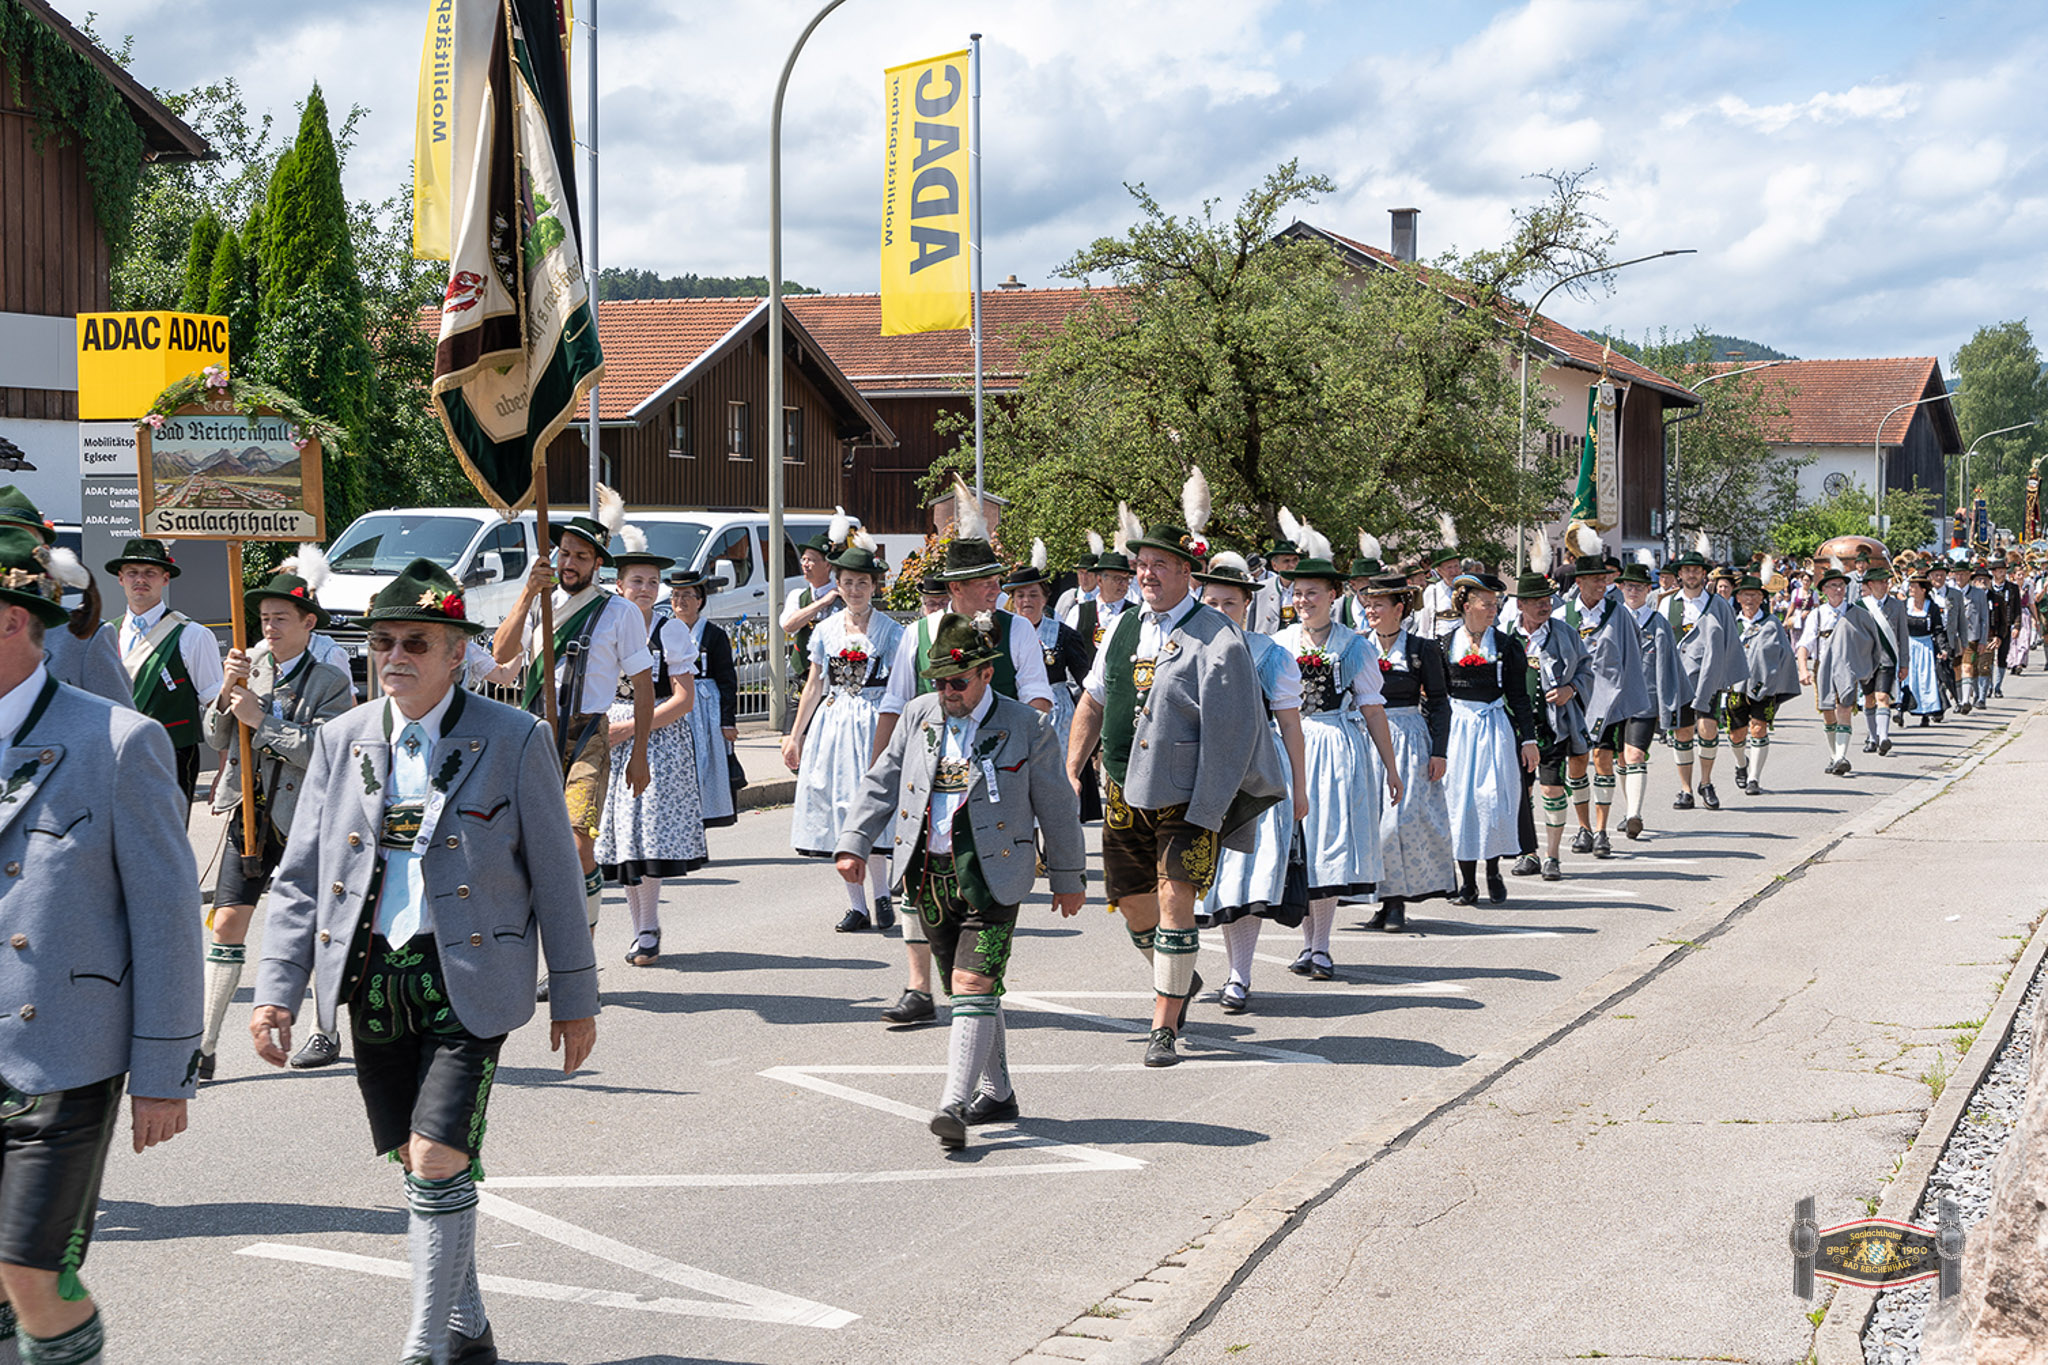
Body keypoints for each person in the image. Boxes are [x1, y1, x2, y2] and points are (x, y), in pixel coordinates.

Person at [251, 559, 600, 1365]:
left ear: (456, 654)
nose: (395, 655)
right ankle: (468, 1326)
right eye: (382, 641)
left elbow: (556, 873)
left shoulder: (516, 737)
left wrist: (575, 996)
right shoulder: (343, 740)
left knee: (440, 1154)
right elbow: (301, 875)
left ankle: (422, 1346)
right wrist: (276, 992)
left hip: (469, 978)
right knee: (414, 1161)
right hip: (371, 978)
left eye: (417, 641)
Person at [0, 526, 200, 1365]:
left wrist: (162, 1072)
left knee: (32, 1272)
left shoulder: (117, 740)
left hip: (63, 1052)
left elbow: (166, 916)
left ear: (13, 621)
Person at [836, 614, 1086, 1148]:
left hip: (995, 873)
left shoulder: (1026, 725)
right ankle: (997, 1094)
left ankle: (953, 1102)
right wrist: (854, 841)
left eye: (957, 682)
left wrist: (1068, 875)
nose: (946, 691)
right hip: (928, 873)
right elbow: (882, 780)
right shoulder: (918, 715)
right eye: (938, 681)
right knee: (969, 990)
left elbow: (1059, 806)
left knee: (973, 985)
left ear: (984, 674)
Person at [1065, 485, 1285, 1067]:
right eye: (1141, 564)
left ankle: (1163, 1025)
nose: (1147, 574)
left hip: (1188, 797)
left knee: (1173, 900)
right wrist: (1070, 772)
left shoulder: (1220, 637)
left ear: (1188, 571)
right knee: (1131, 903)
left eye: (1160, 564)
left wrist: (1209, 809)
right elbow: (1091, 700)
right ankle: (1179, 979)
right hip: (1120, 787)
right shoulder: (1120, 628)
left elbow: (1235, 733)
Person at [872, 481, 1054, 1026]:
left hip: (996, 770)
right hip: (929, 764)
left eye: (997, 580)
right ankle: (917, 986)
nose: (996, 590)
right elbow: (896, 703)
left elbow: (1039, 695)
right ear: (956, 590)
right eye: (985, 583)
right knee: (917, 870)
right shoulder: (918, 633)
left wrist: (1026, 748)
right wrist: (882, 767)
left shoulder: (1015, 629)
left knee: (979, 877)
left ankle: (971, 990)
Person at [197, 565, 354, 1081]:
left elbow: (328, 752)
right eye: (264, 618)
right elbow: (218, 739)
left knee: (316, 928)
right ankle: (205, 1045)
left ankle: (324, 1030)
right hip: (249, 813)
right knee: (226, 923)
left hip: (306, 819)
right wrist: (226, 691)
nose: (269, 627)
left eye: (280, 618)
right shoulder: (251, 666)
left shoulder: (331, 680)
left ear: (309, 623)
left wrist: (264, 723)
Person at [491, 486, 653, 940]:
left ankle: (579, 952)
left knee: (580, 846)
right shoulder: (542, 602)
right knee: (520, 845)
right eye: (564, 553)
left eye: (581, 556)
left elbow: (643, 687)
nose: (569, 563)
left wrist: (638, 754)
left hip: (587, 736)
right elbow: (503, 655)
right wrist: (527, 594)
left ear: (597, 563)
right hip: (532, 732)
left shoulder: (618, 611)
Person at [1271, 530, 1400, 977]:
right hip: (1289, 748)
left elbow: (1373, 708)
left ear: (1333, 595)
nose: (1304, 600)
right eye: (1298, 592)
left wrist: (1392, 769)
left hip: (1335, 749)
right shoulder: (1281, 643)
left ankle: (1320, 946)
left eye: (1313, 593)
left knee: (1327, 847)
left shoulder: (1354, 646)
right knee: (1298, 849)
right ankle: (1308, 944)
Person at [1191, 554, 1308, 1011]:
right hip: (1199, 769)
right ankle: (1180, 970)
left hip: (1256, 769)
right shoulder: (1183, 646)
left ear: (1246, 605)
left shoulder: (1269, 654)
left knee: (1243, 878)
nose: (1220, 610)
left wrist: (1299, 786)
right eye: (1212, 601)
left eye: (1230, 602)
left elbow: (1291, 726)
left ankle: (1239, 975)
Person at [598, 531, 708, 968]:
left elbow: (684, 698)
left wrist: (632, 727)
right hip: (611, 733)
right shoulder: (605, 624)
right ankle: (640, 928)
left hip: (658, 738)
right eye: (636, 581)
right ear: (619, 585)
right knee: (624, 835)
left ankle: (648, 925)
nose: (645, 589)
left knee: (650, 834)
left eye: (651, 581)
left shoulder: (671, 631)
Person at [784, 533, 904, 931]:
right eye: (848, 582)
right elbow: (815, 684)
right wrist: (795, 735)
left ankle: (883, 895)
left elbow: (900, 687)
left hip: (873, 720)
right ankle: (857, 905)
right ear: (838, 584)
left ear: (874, 586)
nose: (855, 590)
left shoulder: (891, 632)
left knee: (870, 808)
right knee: (839, 807)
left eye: (862, 583)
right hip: (834, 724)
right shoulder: (826, 630)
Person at [1359, 572, 1454, 931]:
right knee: (1374, 823)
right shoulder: (1358, 646)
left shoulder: (1422, 649)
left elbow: (1441, 702)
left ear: (1399, 609)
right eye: (1368, 604)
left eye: (1378, 605)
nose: (1371, 611)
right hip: (1367, 737)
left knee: (1399, 824)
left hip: (1409, 737)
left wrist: (1439, 751)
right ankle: (1383, 900)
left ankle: (1397, 902)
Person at [108, 536, 225, 814]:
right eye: (133, 573)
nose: (141, 580)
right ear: (120, 579)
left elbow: (216, 706)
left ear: (165, 578)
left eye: (150, 573)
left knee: (167, 849)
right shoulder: (106, 634)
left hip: (170, 756)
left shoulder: (193, 635)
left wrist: (226, 766)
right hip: (115, 758)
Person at [1442, 572, 1538, 903]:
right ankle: (1467, 882)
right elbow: (1437, 700)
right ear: (1466, 605)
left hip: (1494, 726)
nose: (1493, 609)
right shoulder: (1443, 645)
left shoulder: (1507, 645)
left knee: (1492, 802)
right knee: (1461, 803)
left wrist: (1529, 739)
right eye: (1486, 603)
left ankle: (1493, 870)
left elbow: (1520, 696)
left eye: (1495, 604)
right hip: (1460, 730)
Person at [1558, 533, 1651, 858]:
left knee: (1604, 760)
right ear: (1580, 581)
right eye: (1597, 579)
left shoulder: (1619, 614)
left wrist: (1627, 700)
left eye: (1605, 578)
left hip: (1608, 703)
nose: (1604, 584)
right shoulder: (1562, 615)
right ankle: (1582, 827)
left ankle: (1601, 831)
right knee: (1578, 762)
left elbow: (1632, 657)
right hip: (1572, 702)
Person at [1504, 558, 1592, 882]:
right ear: (1521, 604)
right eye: (1538, 602)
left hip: (1553, 726)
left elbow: (1586, 670)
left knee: (1553, 789)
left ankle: (1552, 857)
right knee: (1522, 792)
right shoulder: (1506, 638)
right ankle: (1528, 852)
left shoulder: (1565, 634)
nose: (1545, 606)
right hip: (1515, 726)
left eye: (1548, 601)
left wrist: (1571, 689)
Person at [0, 488, 128, 707]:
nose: (7, 547)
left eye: (20, 537)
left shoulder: (85, 638)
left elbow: (120, 725)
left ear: (45, 552)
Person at [1663, 537, 1749, 810]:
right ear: (1679, 574)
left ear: (1704, 574)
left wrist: (1725, 676)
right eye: (1686, 570)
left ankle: (1706, 782)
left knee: (1708, 727)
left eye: (1696, 570)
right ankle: (1685, 789)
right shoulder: (1667, 604)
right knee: (1683, 732)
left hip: (1707, 677)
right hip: (1678, 677)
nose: (1691, 574)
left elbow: (1730, 642)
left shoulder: (1718, 604)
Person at [666, 571, 740, 833]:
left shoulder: (714, 635)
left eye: (687, 595)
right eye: (676, 595)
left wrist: (727, 721)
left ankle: (700, 827)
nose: (680, 601)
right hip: (672, 705)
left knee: (706, 767)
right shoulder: (664, 631)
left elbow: (727, 679)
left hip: (706, 707)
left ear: (700, 601)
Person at [1005, 541, 1092, 762]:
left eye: (1033, 595)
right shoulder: (1003, 633)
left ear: (1045, 598)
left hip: (1057, 717)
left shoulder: (1064, 635)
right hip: (1014, 712)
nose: (1027, 601)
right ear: (1013, 600)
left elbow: (1085, 682)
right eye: (1021, 595)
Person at [1618, 558, 1683, 838]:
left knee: (1634, 755)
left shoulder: (1658, 623)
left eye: (1640, 587)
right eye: (1629, 586)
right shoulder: (1612, 618)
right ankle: (1628, 807)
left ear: (1649, 591)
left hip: (1645, 699)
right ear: (1621, 588)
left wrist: (1667, 707)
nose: (1634, 592)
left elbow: (1669, 666)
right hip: (1614, 702)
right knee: (1620, 759)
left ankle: (1634, 814)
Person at [1796, 565, 1881, 775]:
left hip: (1847, 667)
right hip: (1823, 665)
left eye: (1841, 585)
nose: (1838, 590)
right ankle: (1834, 755)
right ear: (1824, 590)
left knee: (1844, 708)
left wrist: (1865, 664)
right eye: (1833, 586)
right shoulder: (1817, 615)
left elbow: (1871, 640)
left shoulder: (1857, 613)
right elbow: (1804, 645)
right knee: (1827, 711)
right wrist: (1802, 670)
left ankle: (1842, 756)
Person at [1728, 573, 1801, 795]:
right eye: (1746, 594)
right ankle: (1741, 764)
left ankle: (1754, 778)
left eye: (1755, 595)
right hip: (1736, 687)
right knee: (1736, 734)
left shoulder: (1772, 624)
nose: (1750, 599)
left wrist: (1777, 685)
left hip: (1764, 687)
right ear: (1738, 597)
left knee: (1758, 729)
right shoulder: (1732, 623)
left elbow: (1785, 656)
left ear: (1762, 598)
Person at [779, 517, 849, 709]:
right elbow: (788, 625)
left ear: (827, 565)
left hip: (835, 680)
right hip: (802, 678)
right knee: (793, 735)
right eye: (803, 559)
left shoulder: (844, 597)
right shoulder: (797, 596)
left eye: (810, 560)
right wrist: (821, 603)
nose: (805, 564)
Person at [1857, 565, 1907, 756]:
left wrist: (1904, 663)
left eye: (1886, 581)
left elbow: (1903, 636)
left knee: (1882, 697)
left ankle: (1884, 737)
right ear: (1870, 585)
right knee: (1869, 699)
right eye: (1880, 582)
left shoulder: (1897, 606)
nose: (1885, 585)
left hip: (1887, 659)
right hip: (1866, 661)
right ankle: (1873, 736)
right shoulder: (1860, 606)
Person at [1903, 572, 1949, 726]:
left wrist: (1943, 648)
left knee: (1924, 679)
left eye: (1914, 586)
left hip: (1925, 647)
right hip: (1908, 645)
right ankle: (1901, 710)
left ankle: (1925, 712)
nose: (1911, 589)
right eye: (1910, 586)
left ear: (1923, 590)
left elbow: (1938, 629)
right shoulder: (1905, 605)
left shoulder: (1932, 607)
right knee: (1906, 679)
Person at [1415, 540, 1464, 643]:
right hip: (1437, 646)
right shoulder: (1432, 591)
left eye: (1456, 566)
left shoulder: (1467, 589)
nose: (1454, 571)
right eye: (1449, 567)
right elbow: (1424, 627)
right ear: (1439, 571)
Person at [1051, 540, 1099, 624]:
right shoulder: (1068, 597)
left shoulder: (1103, 598)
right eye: (1081, 573)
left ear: (1097, 575)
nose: (1084, 577)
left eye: (1088, 573)